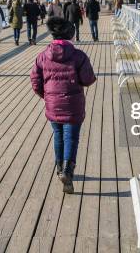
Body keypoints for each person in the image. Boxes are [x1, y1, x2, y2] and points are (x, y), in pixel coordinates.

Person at [30, 17, 96, 193]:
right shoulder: (79, 56)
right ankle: (67, 170)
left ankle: (60, 168)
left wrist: (47, 96)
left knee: (58, 135)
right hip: (73, 104)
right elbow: (88, 79)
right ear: (71, 36)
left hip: (52, 103)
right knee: (71, 137)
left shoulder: (42, 56)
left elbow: (35, 81)